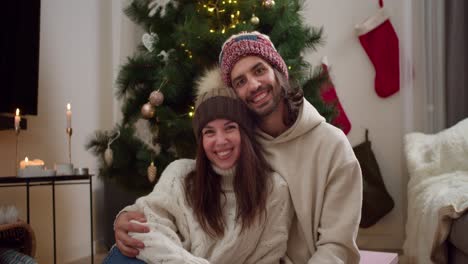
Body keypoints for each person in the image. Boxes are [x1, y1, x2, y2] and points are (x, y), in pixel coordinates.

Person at [115, 31, 363, 263]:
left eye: (259, 70)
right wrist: (127, 216)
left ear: (278, 71)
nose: (253, 85)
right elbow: (190, 183)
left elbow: (338, 247)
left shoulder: (332, 146)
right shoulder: (237, 139)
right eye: (240, 81)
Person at [104, 67, 293, 264]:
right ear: (201, 140)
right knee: (122, 256)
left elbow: (269, 257)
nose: (220, 141)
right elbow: (143, 230)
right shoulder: (179, 173)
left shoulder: (274, 188)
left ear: (245, 134)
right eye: (209, 132)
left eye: (230, 128)